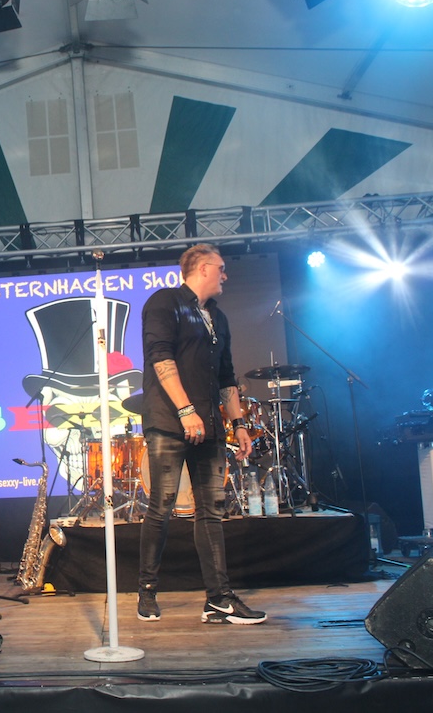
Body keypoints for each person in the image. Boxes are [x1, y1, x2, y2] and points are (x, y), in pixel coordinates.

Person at [137, 244, 266, 625]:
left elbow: (226, 375)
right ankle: (147, 590)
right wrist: (185, 410)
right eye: (221, 268)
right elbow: (160, 357)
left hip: (210, 425)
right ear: (203, 268)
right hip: (169, 421)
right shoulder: (165, 302)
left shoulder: (218, 317)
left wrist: (239, 424)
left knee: (211, 511)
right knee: (161, 506)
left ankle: (219, 599)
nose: (226, 275)